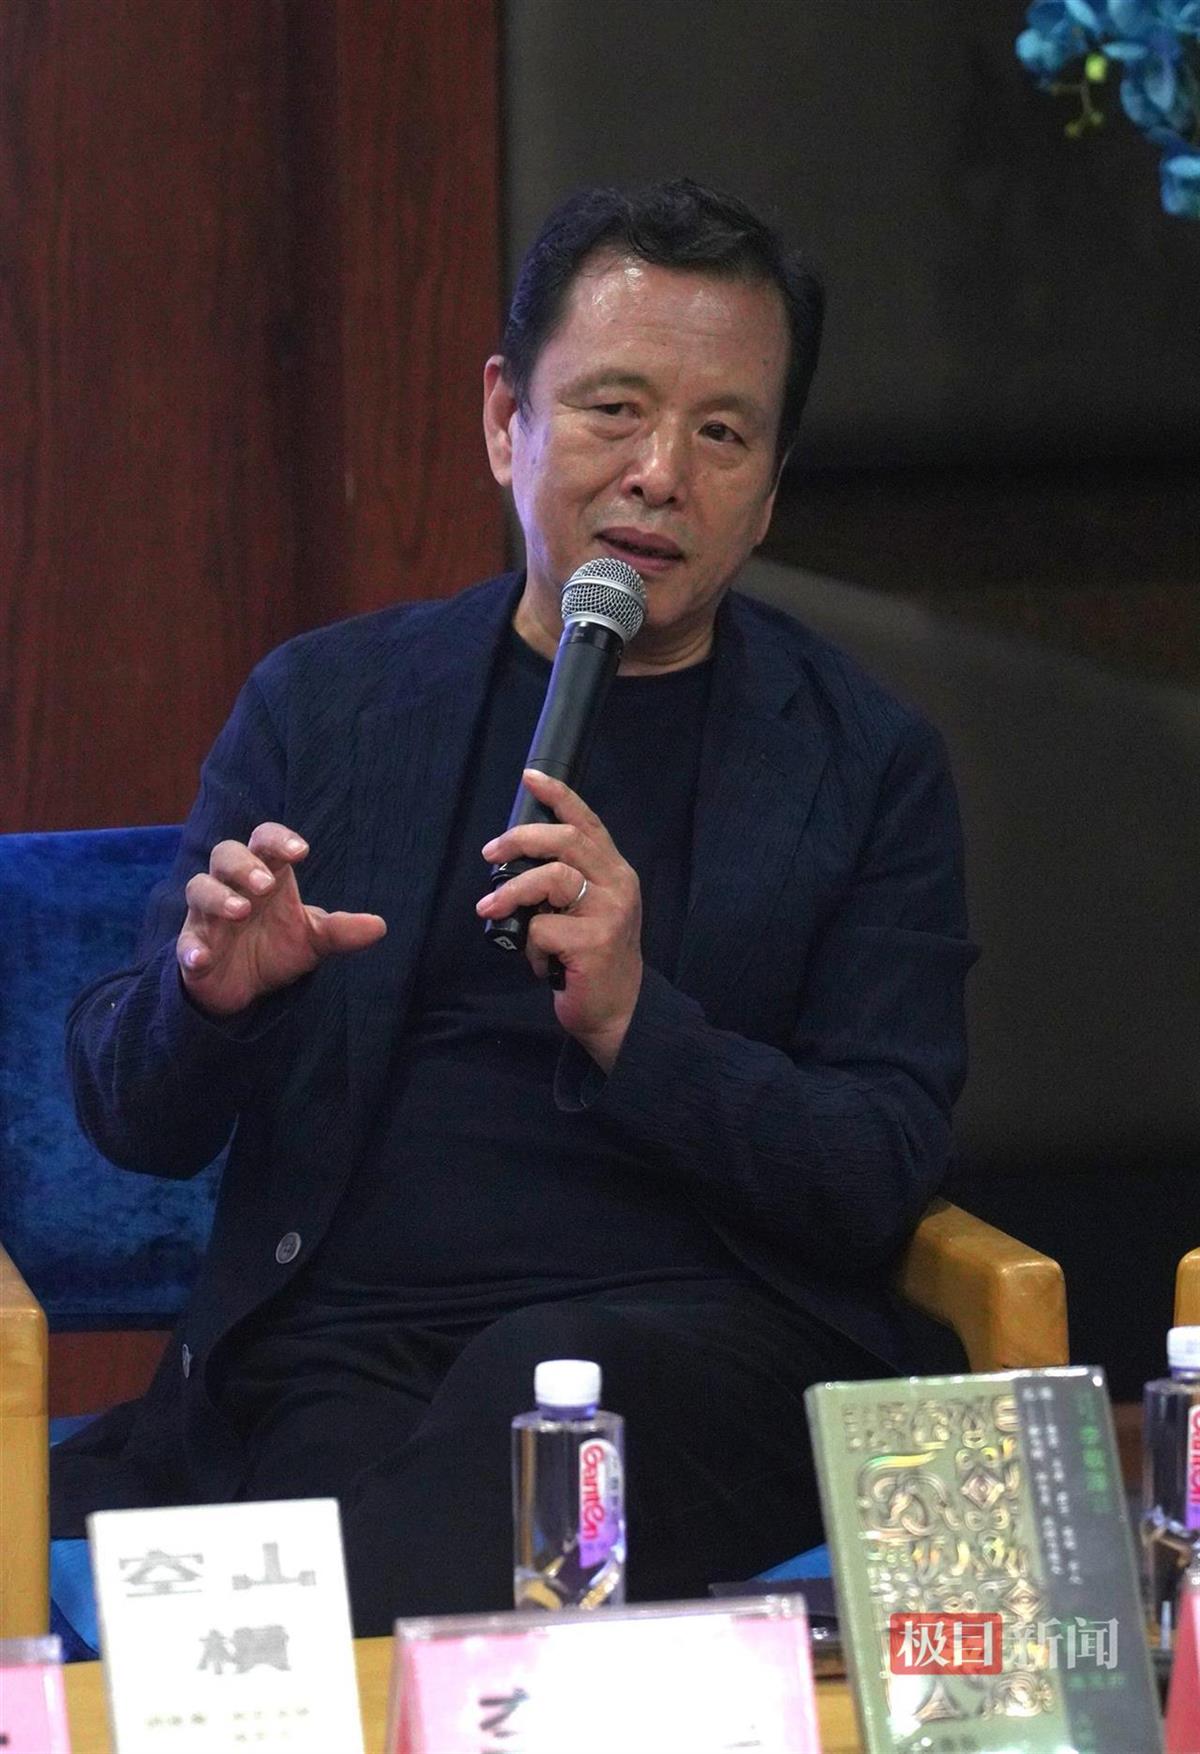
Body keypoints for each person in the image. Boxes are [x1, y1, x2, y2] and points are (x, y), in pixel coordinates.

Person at [53, 178, 976, 1632]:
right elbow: (130, 1112)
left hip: (707, 1354)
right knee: (361, 1462)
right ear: (506, 420)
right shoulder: (329, 707)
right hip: (349, 1342)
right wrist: (210, 1002)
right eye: (614, 410)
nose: (660, 474)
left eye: (722, 434)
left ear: (770, 487)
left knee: (533, 1409)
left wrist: (637, 1024)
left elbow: (877, 1167)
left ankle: (278, 1666)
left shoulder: (866, 765)